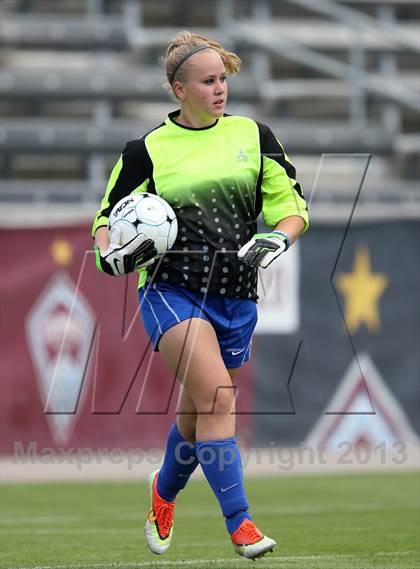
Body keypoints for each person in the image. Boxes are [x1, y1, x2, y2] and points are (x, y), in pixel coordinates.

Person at [92, 30, 309, 561]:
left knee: (197, 414)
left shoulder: (255, 137)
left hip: (236, 295)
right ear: (178, 89)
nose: (220, 89)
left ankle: (163, 492)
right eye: (208, 81)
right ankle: (241, 525)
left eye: (223, 79)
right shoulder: (145, 151)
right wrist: (108, 253)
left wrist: (278, 235)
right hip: (170, 292)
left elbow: (293, 207)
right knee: (218, 399)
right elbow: (105, 221)